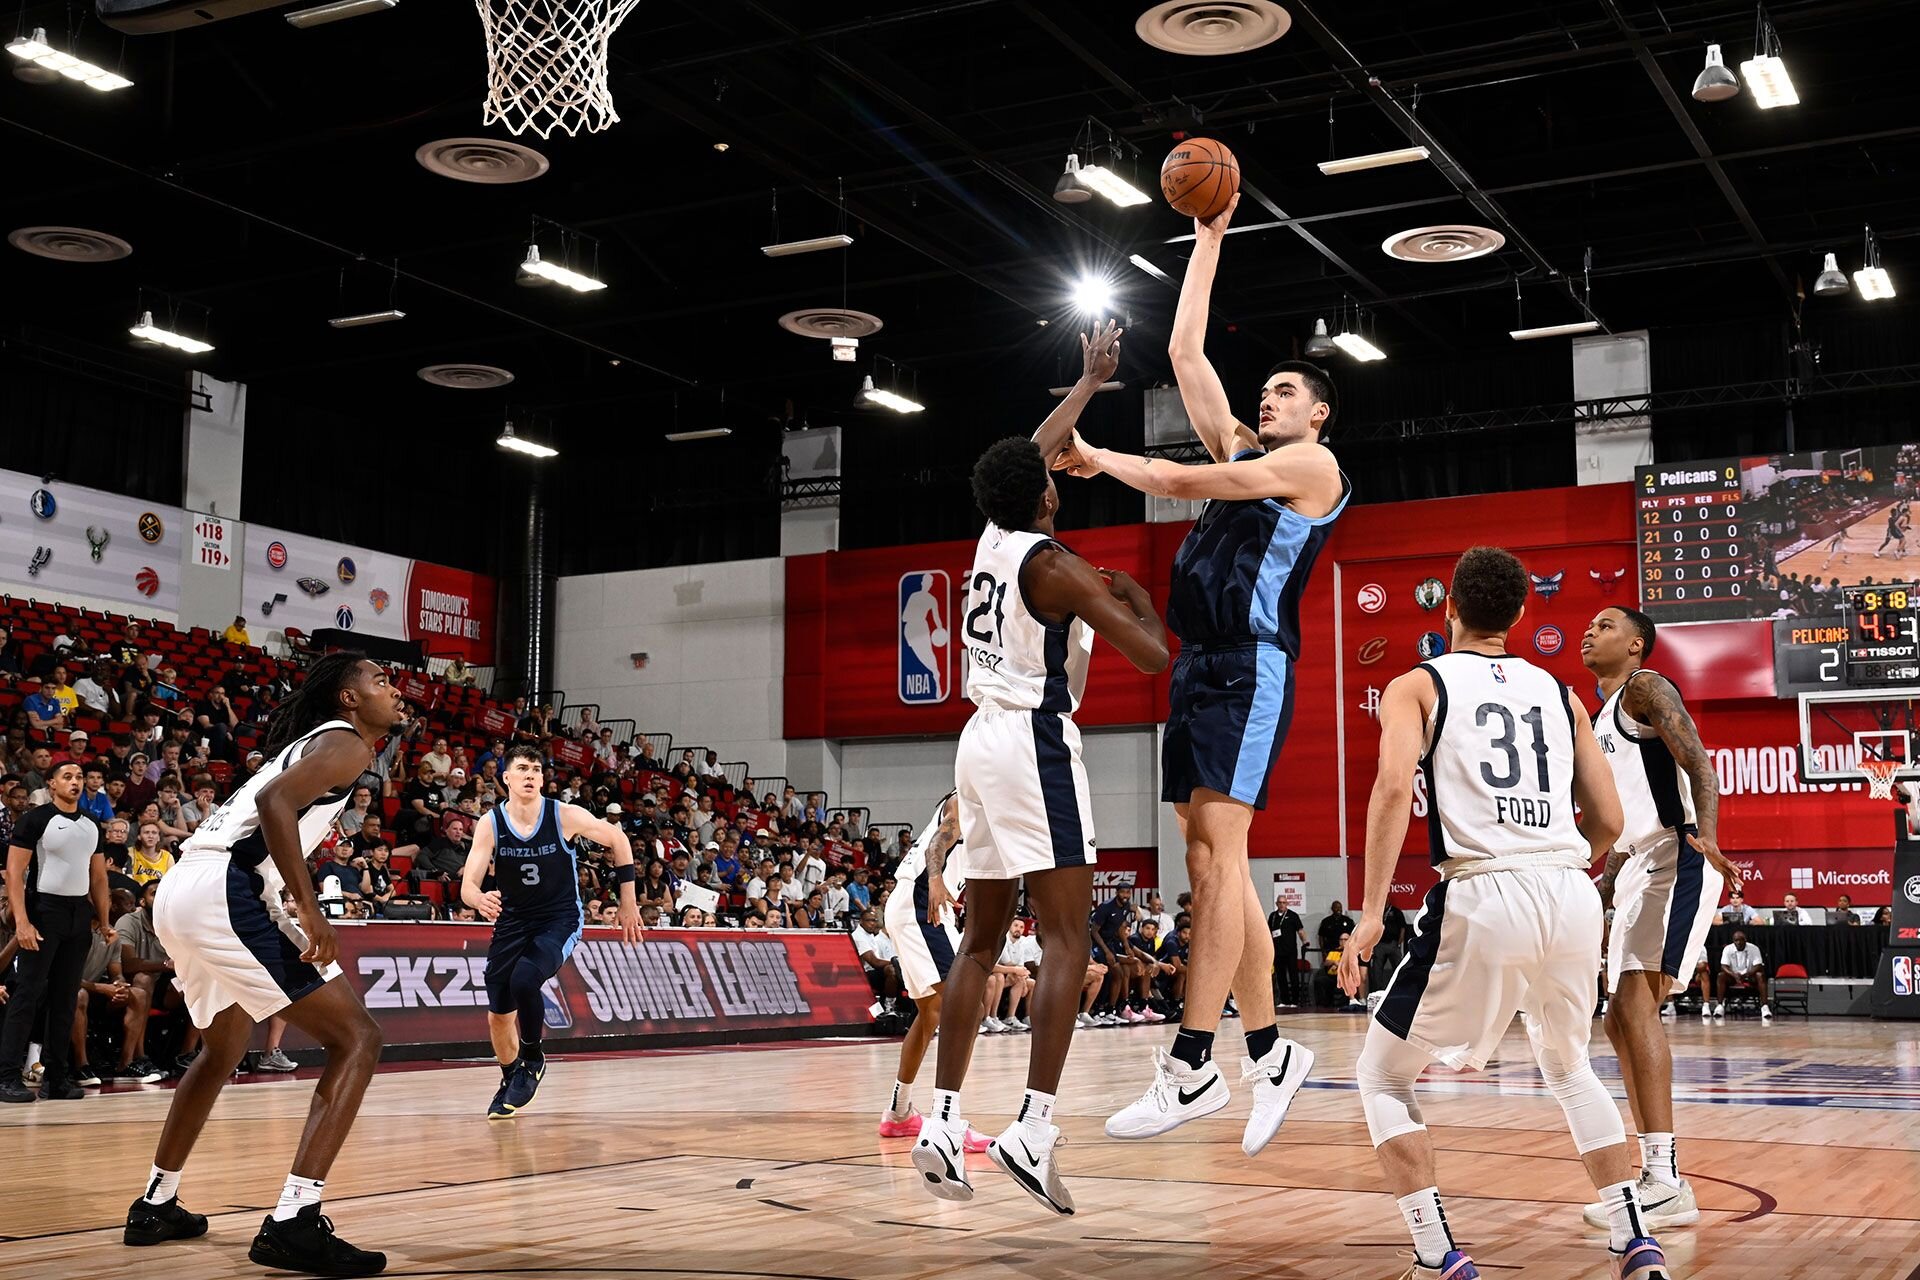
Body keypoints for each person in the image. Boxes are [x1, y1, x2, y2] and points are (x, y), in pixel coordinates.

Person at [1065, 286, 1346, 1146]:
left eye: (1286, 392)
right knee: (1212, 861)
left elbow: (1178, 477)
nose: (1268, 398)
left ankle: (1192, 1063)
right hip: (1196, 667)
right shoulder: (1245, 448)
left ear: (1321, 415)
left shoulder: (1312, 470)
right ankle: (1268, 1049)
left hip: (1250, 667)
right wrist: (1211, 236)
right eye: (1264, 390)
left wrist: (1098, 456)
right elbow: (1188, 355)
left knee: (1217, 863)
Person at [1339, 546, 1664, 1280]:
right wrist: (1570, 864)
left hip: (1484, 887)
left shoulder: (1414, 684)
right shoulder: (1562, 692)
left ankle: (1434, 1255)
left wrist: (1368, 917)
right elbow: (1607, 815)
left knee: (1384, 1075)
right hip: (1571, 887)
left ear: (1447, 606)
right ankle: (1636, 1240)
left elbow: (1392, 792)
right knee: (1569, 1065)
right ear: (1520, 614)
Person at [912, 320, 1175, 1215]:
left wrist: (1089, 381)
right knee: (1066, 936)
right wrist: (1137, 599)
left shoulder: (991, 534)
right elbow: (1151, 658)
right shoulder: (1056, 567)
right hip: (1031, 741)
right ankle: (1032, 1125)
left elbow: (1031, 448)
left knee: (980, 944)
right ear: (1047, 501)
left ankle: (942, 1120)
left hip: (976, 744)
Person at [126, 653, 403, 1274]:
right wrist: (310, 908)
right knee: (358, 1038)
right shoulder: (346, 742)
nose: (396, 690)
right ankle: (293, 1221)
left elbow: (273, 802)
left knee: (220, 1051)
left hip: (184, 887)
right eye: (381, 681)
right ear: (349, 699)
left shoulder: (315, 742)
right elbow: (278, 803)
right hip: (227, 886)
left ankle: (155, 1203)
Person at [1580, 603, 1741, 1233]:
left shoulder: (1647, 688)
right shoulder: (1596, 717)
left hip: (1681, 855)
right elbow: (1625, 818)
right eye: (1590, 626)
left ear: (1638, 645)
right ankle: (1658, 1172)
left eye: (1607, 626)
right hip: (1641, 863)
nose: (1592, 632)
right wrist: (1605, 873)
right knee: (1618, 1016)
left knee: (1635, 1006)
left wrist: (1707, 836)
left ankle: (1667, 1179)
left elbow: (1699, 763)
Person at [462, 744, 639, 1120]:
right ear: (506, 777)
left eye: (537, 770)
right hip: (512, 922)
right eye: (522, 768)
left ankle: (532, 1059)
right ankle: (511, 1077)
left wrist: (629, 902)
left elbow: (619, 840)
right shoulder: (490, 823)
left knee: (525, 980)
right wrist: (477, 898)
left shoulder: (564, 815)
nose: (530, 775)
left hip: (558, 918)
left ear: (543, 778)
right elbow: (468, 884)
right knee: (498, 1015)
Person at [876, 793, 989, 1153]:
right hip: (922, 901)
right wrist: (937, 880)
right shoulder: (965, 797)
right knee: (969, 1009)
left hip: (922, 905)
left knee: (930, 1014)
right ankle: (947, 1122)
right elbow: (943, 837)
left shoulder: (990, 807)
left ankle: (899, 1113)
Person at [0, 761, 116, 1103]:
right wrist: (22, 922)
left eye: (80, 777)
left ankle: (56, 1078)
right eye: (67, 776)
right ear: (51, 784)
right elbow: (14, 873)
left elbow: (98, 878)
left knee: (65, 999)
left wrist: (106, 921)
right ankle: (6, 1076)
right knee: (27, 995)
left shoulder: (93, 824)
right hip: (43, 911)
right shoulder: (35, 820)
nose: (75, 782)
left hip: (78, 913)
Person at [1713, 931, 1769, 1019]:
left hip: (1750, 975)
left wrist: (1747, 974)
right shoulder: (1728, 949)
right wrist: (1734, 975)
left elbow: (1758, 965)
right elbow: (1723, 966)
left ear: (1745, 940)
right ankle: (1720, 1006)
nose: (1739, 942)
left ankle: (1765, 1007)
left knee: (1760, 975)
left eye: (1741, 940)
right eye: (1736, 940)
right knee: (1721, 976)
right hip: (1733, 976)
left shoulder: (1754, 948)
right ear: (1733, 941)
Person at [1267, 896, 1306, 1008]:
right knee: (1280, 976)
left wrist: (1305, 941)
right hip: (1277, 952)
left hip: (1290, 951)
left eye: (1284, 903)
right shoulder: (1273, 916)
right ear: (1276, 903)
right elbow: (1269, 932)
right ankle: (1285, 1000)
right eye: (1280, 903)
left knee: (1293, 975)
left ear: (1287, 903)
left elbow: (1300, 931)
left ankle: (1295, 1001)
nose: (1282, 905)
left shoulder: (1293, 916)